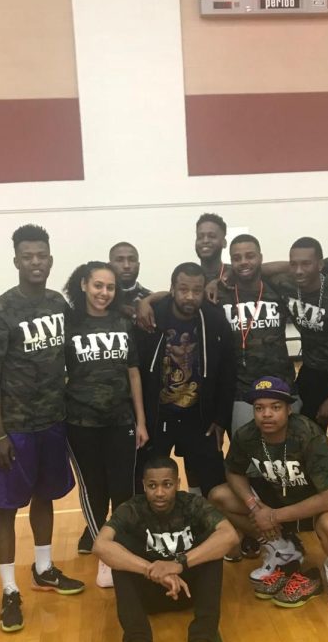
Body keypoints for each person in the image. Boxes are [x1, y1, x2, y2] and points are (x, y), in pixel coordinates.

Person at [0, 224, 83, 634]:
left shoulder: (59, 304)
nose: (35, 262)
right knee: (6, 507)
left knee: (45, 496)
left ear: (50, 259)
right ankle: (8, 588)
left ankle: (43, 568)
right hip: (16, 428)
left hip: (53, 422)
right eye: (28, 256)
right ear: (17, 260)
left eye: (41, 255)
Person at [93, 455, 238, 642]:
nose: (159, 492)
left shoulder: (192, 504)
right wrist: (152, 570)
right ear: (144, 486)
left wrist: (178, 564)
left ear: (178, 483)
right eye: (152, 486)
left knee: (213, 550)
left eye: (167, 485)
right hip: (148, 593)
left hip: (187, 590)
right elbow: (101, 546)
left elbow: (229, 536)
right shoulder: (131, 508)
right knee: (119, 553)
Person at [210, 377, 328, 608]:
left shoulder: (308, 434)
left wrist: (272, 517)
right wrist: (253, 505)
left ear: (289, 409)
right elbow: (233, 472)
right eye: (259, 408)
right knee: (220, 496)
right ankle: (283, 549)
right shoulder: (247, 435)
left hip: (325, 500)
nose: (266, 414)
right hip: (280, 496)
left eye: (275, 407)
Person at [64, 261, 148, 585]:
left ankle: (121, 547)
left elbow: (133, 372)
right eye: (98, 285)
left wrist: (140, 420)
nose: (104, 292)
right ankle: (104, 554)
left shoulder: (122, 321)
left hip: (121, 420)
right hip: (81, 421)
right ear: (84, 284)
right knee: (93, 490)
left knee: (123, 488)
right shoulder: (69, 324)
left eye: (110, 287)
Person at [269, 237, 328, 494]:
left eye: (306, 264)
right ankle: (312, 510)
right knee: (305, 447)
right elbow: (260, 269)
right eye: (294, 264)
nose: (299, 270)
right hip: (311, 373)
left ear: (320, 264)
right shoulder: (286, 285)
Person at [135, 262, 235, 499]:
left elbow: (227, 369)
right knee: (151, 478)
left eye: (196, 290)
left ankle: (202, 515)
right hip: (159, 415)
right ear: (172, 289)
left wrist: (220, 417)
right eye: (183, 289)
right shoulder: (153, 316)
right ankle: (156, 526)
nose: (189, 296)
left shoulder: (214, 318)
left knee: (213, 480)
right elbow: (136, 370)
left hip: (199, 415)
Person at [215, 235, 295, 435]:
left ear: (261, 257)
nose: (243, 262)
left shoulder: (277, 288)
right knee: (245, 458)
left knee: (285, 456)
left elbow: (295, 265)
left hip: (282, 387)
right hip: (241, 393)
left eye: (250, 256)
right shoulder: (220, 294)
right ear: (230, 263)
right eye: (237, 258)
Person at [108, 242, 153, 315]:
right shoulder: (102, 297)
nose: (126, 266)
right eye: (119, 260)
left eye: (132, 260)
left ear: (138, 265)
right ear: (110, 265)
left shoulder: (151, 299)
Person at [195, 212, 229, 283]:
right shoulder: (189, 277)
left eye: (212, 236)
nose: (205, 241)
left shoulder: (234, 275)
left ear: (224, 242)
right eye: (200, 237)